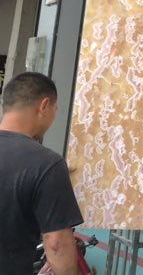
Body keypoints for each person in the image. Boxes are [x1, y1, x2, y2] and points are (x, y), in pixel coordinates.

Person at [0, 72, 83, 275]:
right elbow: (57, 244)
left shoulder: (45, 167)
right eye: (56, 109)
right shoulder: (46, 164)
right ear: (44, 106)